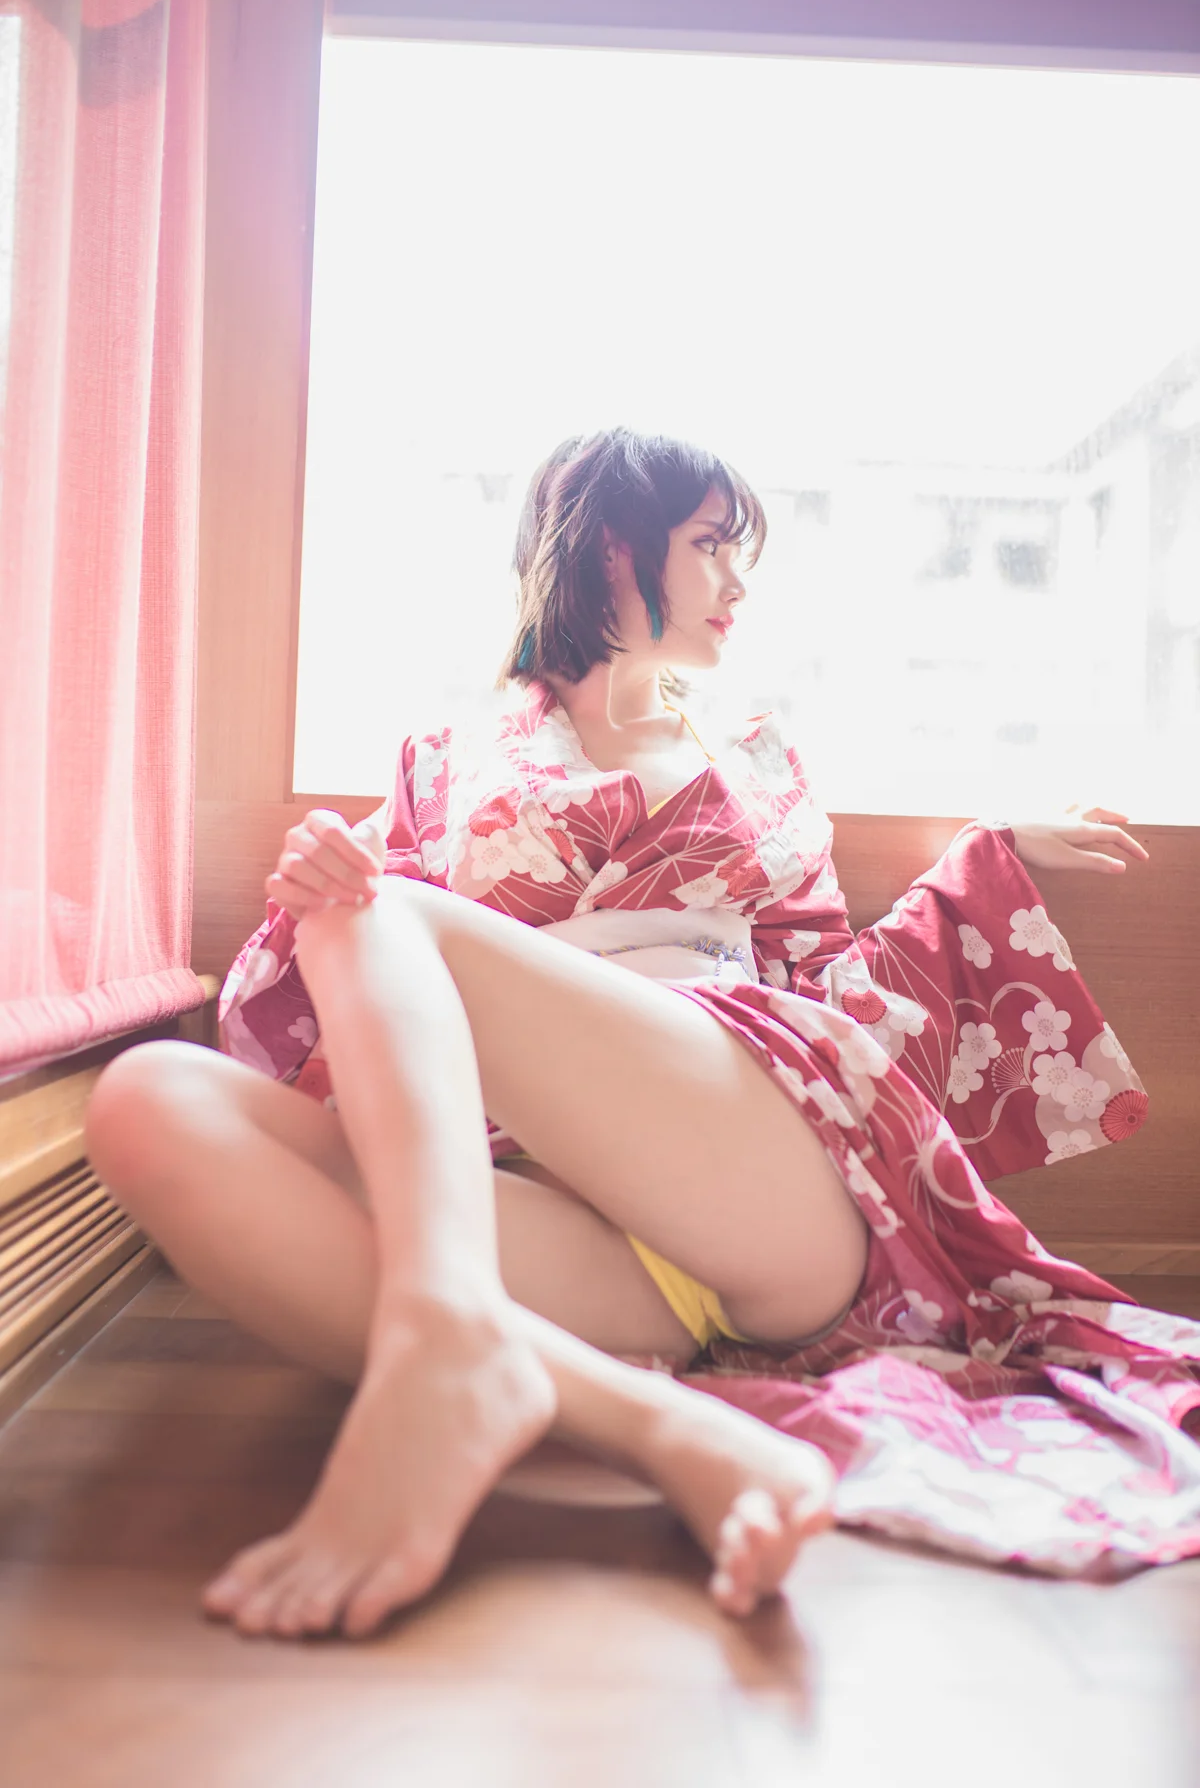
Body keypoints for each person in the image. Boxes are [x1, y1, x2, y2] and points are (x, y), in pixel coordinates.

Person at [83, 427, 1164, 1643]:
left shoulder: (757, 759)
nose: (739, 582)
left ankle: (443, 1335)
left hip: (751, 1168)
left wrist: (988, 855)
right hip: (552, 1218)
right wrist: (314, 888)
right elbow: (360, 1009)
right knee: (148, 1099)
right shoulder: (445, 765)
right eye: (711, 547)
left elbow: (831, 993)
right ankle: (634, 1419)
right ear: (611, 548)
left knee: (378, 913)